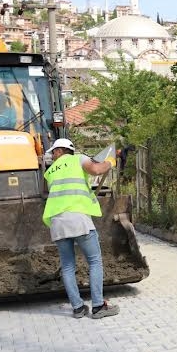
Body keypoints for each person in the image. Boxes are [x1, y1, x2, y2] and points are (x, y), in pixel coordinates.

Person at [42, 137, 120, 319]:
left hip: (57, 223)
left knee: (68, 266)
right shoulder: (78, 158)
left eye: (54, 151)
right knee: (94, 261)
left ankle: (77, 308)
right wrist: (110, 161)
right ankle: (99, 306)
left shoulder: (50, 171)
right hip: (77, 218)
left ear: (60, 151)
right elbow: (96, 169)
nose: (53, 155)